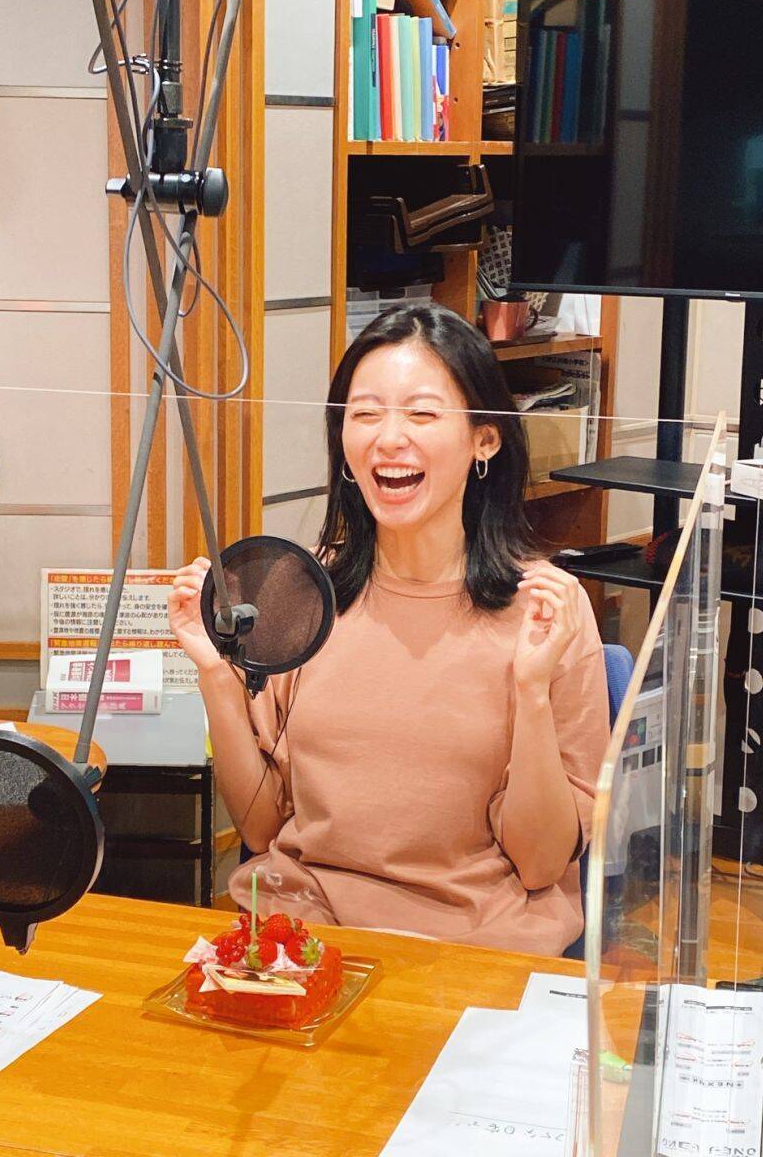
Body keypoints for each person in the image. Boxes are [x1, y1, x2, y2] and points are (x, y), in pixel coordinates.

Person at [169, 304, 609, 956]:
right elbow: (262, 828)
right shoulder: (299, 590)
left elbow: (542, 864)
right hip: (304, 940)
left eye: (422, 414)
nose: (389, 439)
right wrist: (215, 674)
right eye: (366, 414)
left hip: (475, 953)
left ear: (485, 439)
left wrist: (531, 692)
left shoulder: (546, 609)